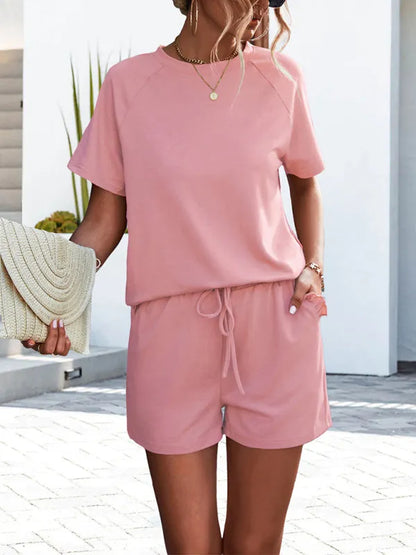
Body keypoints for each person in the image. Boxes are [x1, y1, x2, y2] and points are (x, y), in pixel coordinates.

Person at [23, 0, 333, 552]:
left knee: (256, 546)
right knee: (189, 548)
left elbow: (305, 183)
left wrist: (314, 266)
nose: (262, 5)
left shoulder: (281, 77)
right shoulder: (128, 85)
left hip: (274, 323)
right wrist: (50, 302)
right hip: (169, 331)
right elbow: (104, 220)